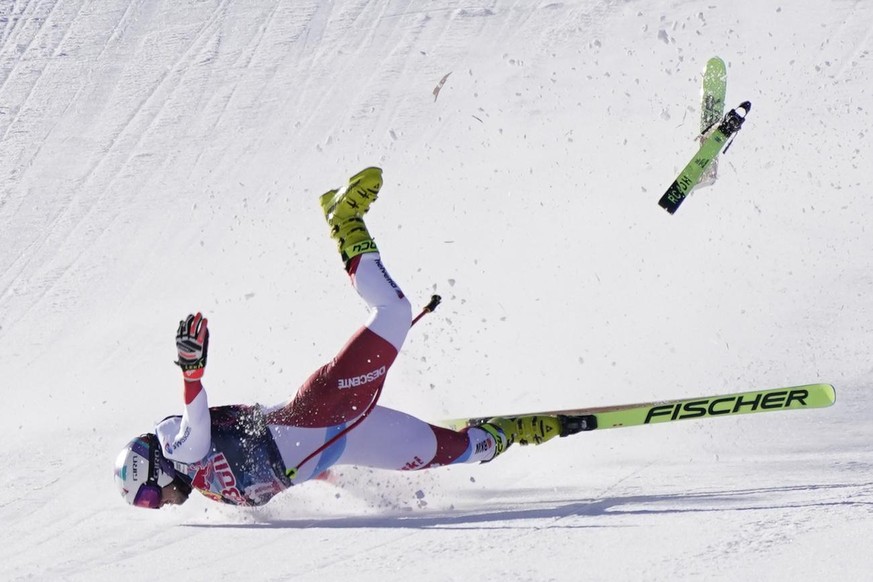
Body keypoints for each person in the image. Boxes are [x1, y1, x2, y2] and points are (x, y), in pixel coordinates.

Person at [114, 168, 567, 509]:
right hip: (347, 439)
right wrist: (352, 485)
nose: (160, 505)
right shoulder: (208, 490)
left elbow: (195, 430)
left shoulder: (177, 444)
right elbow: (282, 474)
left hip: (323, 409)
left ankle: (345, 222)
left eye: (151, 496)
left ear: (154, 466)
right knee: (457, 451)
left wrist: (191, 375)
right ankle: (513, 432)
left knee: (395, 311)